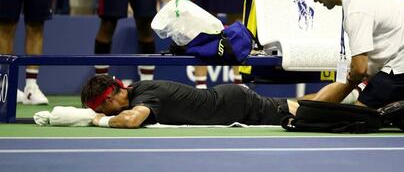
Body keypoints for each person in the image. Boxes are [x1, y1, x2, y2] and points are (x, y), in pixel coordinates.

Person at [303, 0, 404, 108]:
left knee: (357, 117)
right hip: (402, 63)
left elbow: (360, 69)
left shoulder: (356, 8)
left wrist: (344, 87)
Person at [81, 75, 297, 128]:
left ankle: (328, 103)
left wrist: (98, 120)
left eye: (102, 109)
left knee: (296, 111)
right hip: (228, 102)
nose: (104, 113)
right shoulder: (137, 91)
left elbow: (131, 121)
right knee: (291, 106)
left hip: (234, 104)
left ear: (109, 98)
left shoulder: (144, 95)